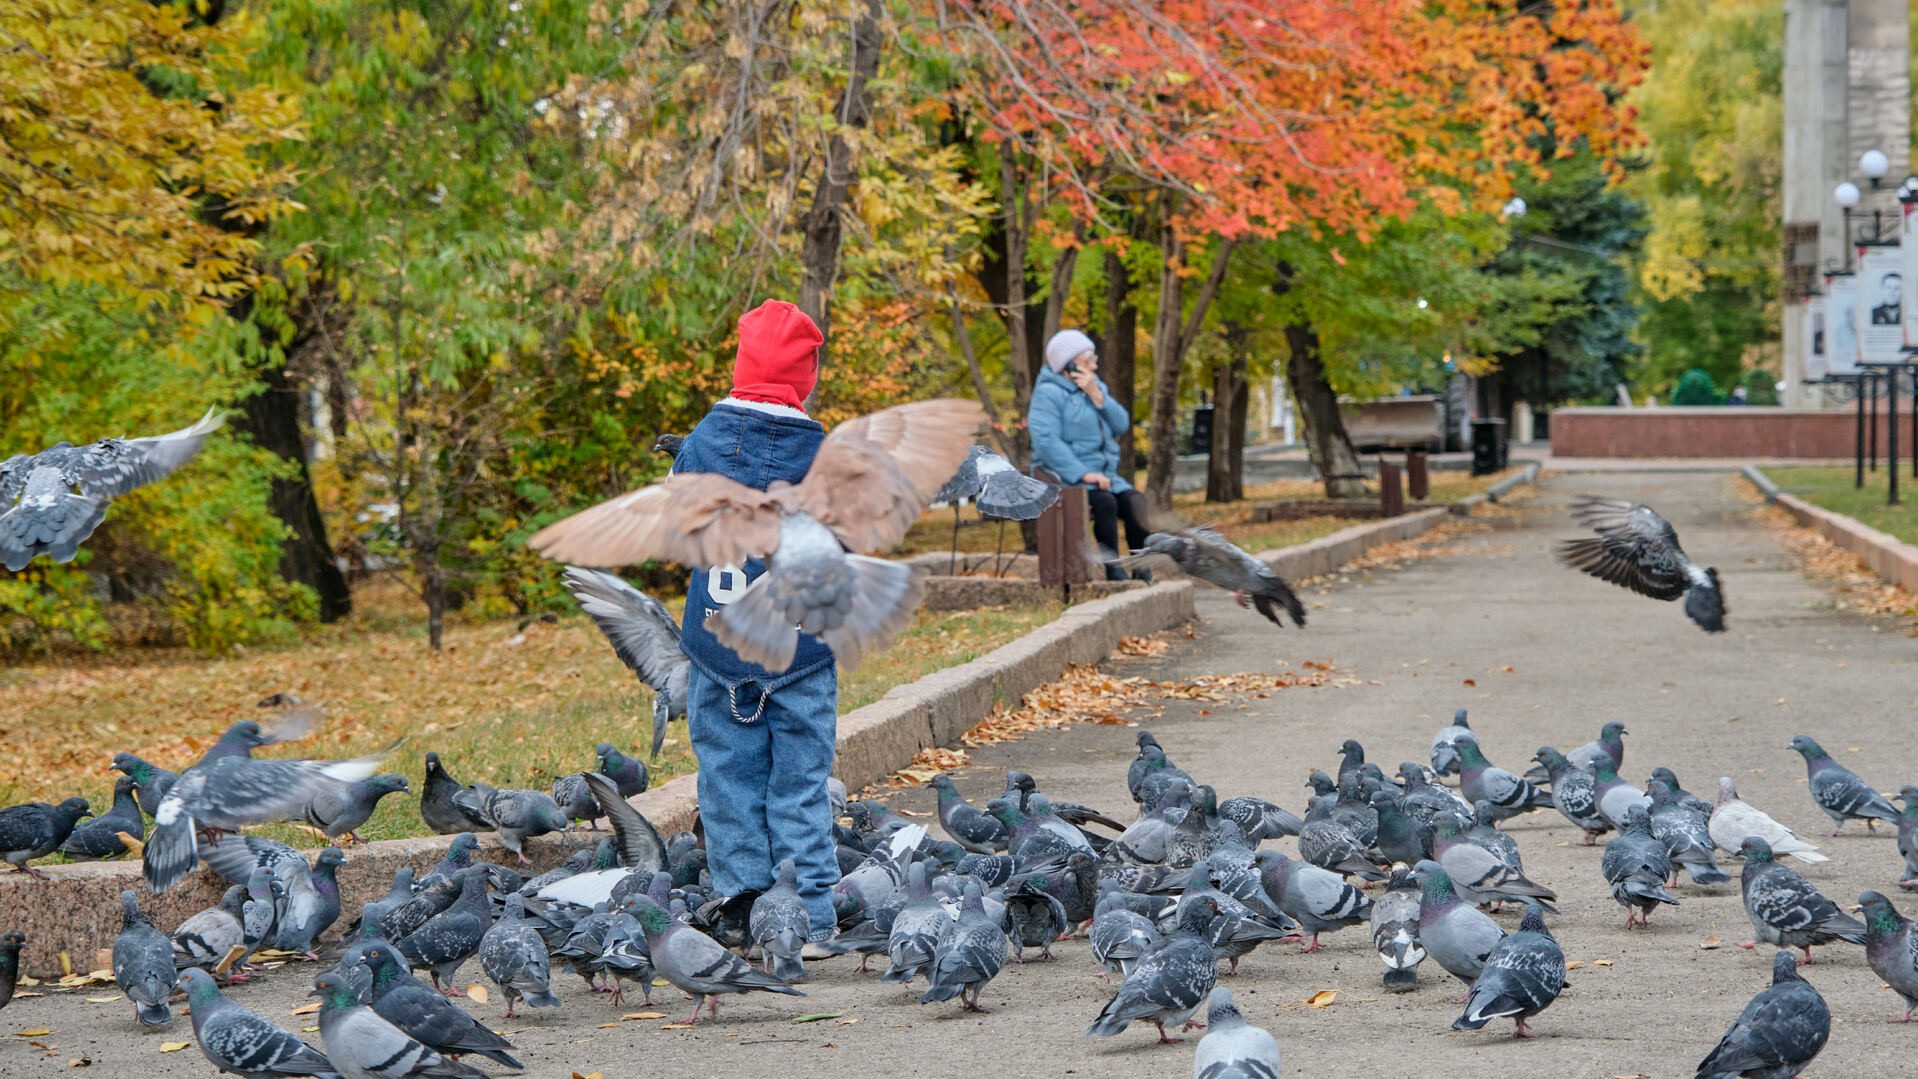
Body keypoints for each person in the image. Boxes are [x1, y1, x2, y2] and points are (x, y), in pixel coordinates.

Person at [670, 299, 839, 952]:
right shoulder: (820, 452)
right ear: (806, 376)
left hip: (717, 642)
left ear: (741, 368)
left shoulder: (703, 441)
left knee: (727, 779)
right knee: (799, 785)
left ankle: (742, 911)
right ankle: (812, 921)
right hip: (799, 650)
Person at [1029, 329, 1151, 581]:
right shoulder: (1048, 394)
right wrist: (1084, 473)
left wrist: (1098, 395)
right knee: (1106, 503)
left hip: (1105, 476)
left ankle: (1142, 567)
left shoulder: (1094, 388)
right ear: (1069, 364)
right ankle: (1114, 569)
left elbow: (1122, 425)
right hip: (1065, 478)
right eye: (1087, 361)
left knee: (1135, 502)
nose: (1094, 366)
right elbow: (1046, 441)